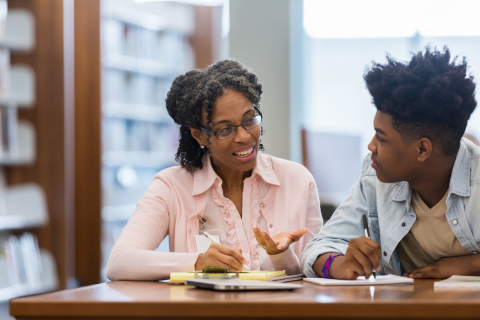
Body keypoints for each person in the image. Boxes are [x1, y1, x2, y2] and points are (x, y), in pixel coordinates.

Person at [107, 60, 322, 280]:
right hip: (205, 314)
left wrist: (280, 254)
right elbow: (119, 262)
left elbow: (315, 274)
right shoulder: (171, 186)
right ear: (199, 135)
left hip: (283, 314)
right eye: (225, 129)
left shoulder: (297, 180)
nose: (244, 137)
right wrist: (198, 262)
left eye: (249, 120)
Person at [300, 46, 480, 280]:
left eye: (381, 138)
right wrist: (337, 263)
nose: (371, 146)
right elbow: (319, 247)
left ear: (422, 149)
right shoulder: (375, 177)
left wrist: (468, 266)